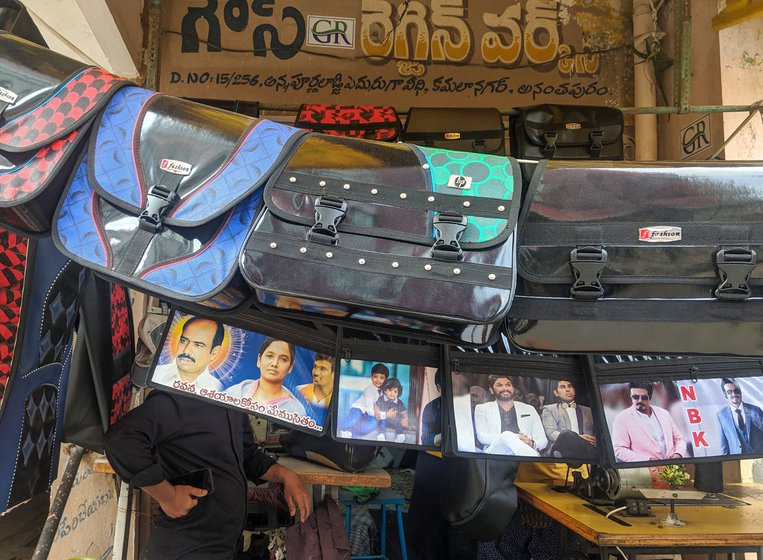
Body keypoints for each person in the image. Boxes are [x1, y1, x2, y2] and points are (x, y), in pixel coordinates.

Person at [104, 390, 312, 559]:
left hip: (223, 545)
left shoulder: (230, 400)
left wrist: (285, 475)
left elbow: (247, 455)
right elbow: (122, 440)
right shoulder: (177, 398)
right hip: (186, 546)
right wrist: (167, 496)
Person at [225, 338, 306, 416]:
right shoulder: (237, 391)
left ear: (290, 367)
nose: (274, 363)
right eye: (270, 356)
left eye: (283, 359)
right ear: (259, 360)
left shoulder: (296, 411)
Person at [473, 375, 547, 456]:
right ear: (491, 390)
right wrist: (514, 437)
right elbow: (483, 437)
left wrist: (531, 443)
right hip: (495, 453)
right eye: (499, 385)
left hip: (524, 451)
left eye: (508, 385)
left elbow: (542, 439)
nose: (505, 388)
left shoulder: (529, 409)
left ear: (513, 388)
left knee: (508, 436)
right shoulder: (482, 409)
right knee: (506, 435)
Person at [611, 382, 686, 462]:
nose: (639, 401)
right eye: (635, 397)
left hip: (673, 467)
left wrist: (678, 454)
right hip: (644, 471)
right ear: (631, 396)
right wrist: (647, 460)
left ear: (650, 397)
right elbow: (619, 450)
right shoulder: (622, 418)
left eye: (644, 398)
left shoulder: (663, 413)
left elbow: (679, 439)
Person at [152, 317, 225, 392]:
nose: (186, 350)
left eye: (198, 345)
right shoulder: (157, 373)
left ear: (214, 353)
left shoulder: (217, 389)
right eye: (184, 341)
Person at [541, 379, 597, 458]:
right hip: (562, 450)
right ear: (556, 393)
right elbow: (551, 433)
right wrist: (576, 438)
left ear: (574, 390)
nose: (567, 390)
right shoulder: (549, 409)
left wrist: (595, 441)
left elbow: (597, 431)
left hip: (587, 450)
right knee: (566, 433)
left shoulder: (588, 411)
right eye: (563, 387)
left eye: (569, 386)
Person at [338, 363, 389, 438]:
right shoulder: (369, 391)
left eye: (381, 378)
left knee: (373, 423)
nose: (378, 380)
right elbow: (369, 410)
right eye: (375, 377)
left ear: (385, 379)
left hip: (370, 415)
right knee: (353, 420)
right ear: (371, 377)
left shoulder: (385, 391)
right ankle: (336, 426)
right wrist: (383, 414)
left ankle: (351, 433)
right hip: (359, 409)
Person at [716, 377, 763, 455]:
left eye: (736, 391)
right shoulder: (721, 415)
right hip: (736, 460)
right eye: (729, 392)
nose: (734, 394)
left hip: (758, 458)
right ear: (725, 395)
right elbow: (724, 446)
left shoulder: (756, 410)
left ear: (741, 391)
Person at [374, 377, 409, 443]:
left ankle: (399, 434)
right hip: (384, 421)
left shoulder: (399, 402)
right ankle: (381, 434)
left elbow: (404, 413)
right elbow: (376, 408)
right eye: (390, 390)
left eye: (395, 391)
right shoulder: (381, 399)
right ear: (385, 391)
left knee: (399, 418)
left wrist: (405, 420)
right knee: (382, 419)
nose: (392, 393)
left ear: (398, 393)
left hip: (394, 422)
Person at [420, 370, 442, 447]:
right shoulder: (431, 408)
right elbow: (425, 440)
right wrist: (442, 437)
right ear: (439, 387)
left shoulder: (466, 405)